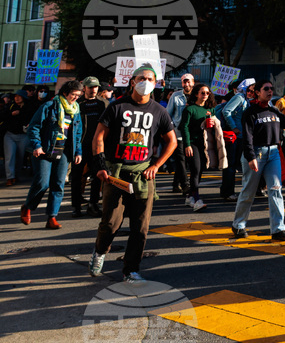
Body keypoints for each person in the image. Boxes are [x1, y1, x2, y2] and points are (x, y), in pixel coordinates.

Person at [89, 64, 177, 283]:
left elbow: (172, 141)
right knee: (111, 222)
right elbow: (99, 137)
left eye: (150, 79)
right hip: (116, 173)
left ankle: (131, 269)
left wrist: (156, 166)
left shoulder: (159, 110)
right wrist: (100, 165)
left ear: (155, 83)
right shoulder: (116, 107)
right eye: (142, 78)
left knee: (140, 226)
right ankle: (100, 250)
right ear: (132, 81)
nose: (145, 82)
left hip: (143, 175)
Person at [232, 81, 285, 241]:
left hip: (274, 153)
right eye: (266, 89)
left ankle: (278, 229)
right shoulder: (250, 112)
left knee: (276, 190)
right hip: (256, 153)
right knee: (248, 191)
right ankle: (238, 225)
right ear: (257, 92)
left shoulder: (273, 110)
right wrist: (250, 157)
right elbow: (247, 137)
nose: (270, 91)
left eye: (271, 89)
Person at [20, 80, 84, 229]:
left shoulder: (76, 109)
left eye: (78, 95)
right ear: (65, 93)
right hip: (44, 150)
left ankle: (51, 217)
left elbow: (78, 132)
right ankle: (28, 206)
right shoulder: (49, 106)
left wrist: (78, 151)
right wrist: (37, 145)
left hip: (64, 151)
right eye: (73, 95)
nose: (75, 98)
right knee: (42, 183)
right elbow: (34, 127)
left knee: (58, 184)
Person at [179, 83, 223, 212]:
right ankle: (197, 199)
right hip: (192, 143)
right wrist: (187, 145)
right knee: (195, 169)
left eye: (207, 93)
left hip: (205, 144)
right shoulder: (190, 109)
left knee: (200, 169)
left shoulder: (211, 109)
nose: (205, 95)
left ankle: (190, 196)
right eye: (202, 92)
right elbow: (184, 127)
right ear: (196, 94)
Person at [71, 77, 108, 217]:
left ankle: (93, 204)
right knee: (76, 177)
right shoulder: (77, 103)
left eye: (96, 87)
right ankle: (76, 206)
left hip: (97, 146)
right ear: (84, 88)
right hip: (80, 146)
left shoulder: (103, 104)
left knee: (97, 176)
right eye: (90, 87)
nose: (93, 90)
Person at [220, 78, 255, 201]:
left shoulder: (246, 99)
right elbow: (226, 111)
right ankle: (227, 192)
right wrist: (234, 127)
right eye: (250, 90)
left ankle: (227, 191)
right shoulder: (239, 97)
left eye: (254, 91)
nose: (252, 93)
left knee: (234, 165)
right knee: (230, 165)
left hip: (240, 137)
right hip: (234, 137)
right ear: (245, 89)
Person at [167, 73, 194, 195]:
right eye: (184, 82)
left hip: (192, 133)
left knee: (186, 160)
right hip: (178, 133)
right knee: (181, 158)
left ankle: (175, 184)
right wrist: (172, 127)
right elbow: (168, 114)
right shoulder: (176, 96)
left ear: (193, 82)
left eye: (189, 82)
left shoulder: (198, 95)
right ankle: (185, 185)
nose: (186, 84)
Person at [3, 90, 33, 185]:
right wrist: (11, 114)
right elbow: (2, 117)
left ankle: (16, 175)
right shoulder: (10, 106)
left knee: (20, 157)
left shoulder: (28, 108)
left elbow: (31, 119)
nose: (17, 98)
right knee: (10, 156)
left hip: (23, 136)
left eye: (19, 96)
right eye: (15, 96)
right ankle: (10, 177)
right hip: (10, 135)